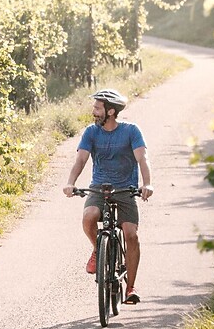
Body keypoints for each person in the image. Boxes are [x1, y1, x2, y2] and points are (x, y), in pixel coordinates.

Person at [63, 88, 152, 304]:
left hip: (125, 189)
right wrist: (70, 182)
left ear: (110, 111)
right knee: (89, 216)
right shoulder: (91, 132)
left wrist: (147, 184)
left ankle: (130, 287)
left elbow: (142, 158)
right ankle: (97, 249)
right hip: (99, 188)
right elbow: (81, 160)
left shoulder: (131, 131)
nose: (93, 112)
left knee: (131, 235)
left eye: (97, 108)